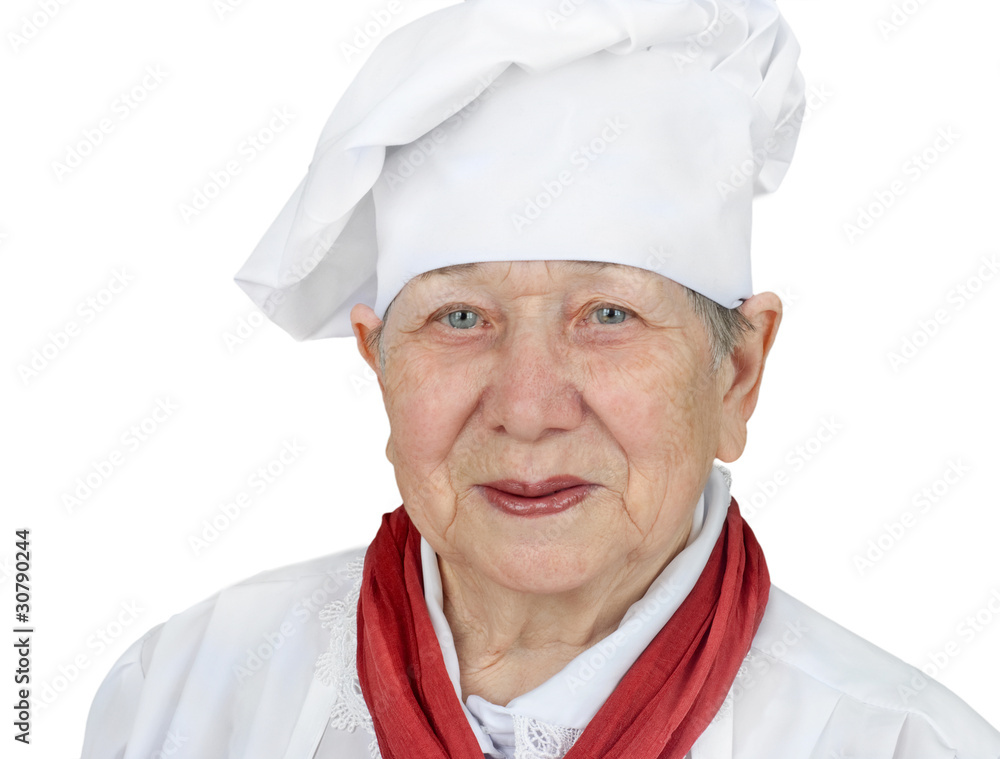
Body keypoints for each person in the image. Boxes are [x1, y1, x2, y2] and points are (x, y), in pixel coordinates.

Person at [80, 0, 1000, 757]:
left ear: (737, 375)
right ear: (379, 364)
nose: (527, 409)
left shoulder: (895, 742)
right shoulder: (182, 696)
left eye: (607, 316)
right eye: (459, 318)